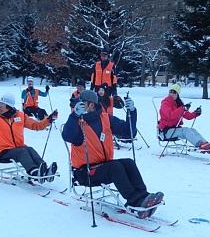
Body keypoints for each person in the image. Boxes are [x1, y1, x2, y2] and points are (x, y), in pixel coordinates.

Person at [62, 90, 164, 219]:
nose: (79, 106)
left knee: (128, 163)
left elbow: (128, 132)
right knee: (115, 166)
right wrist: (74, 116)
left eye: (83, 103)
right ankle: (134, 201)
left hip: (103, 166)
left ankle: (143, 197)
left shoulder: (105, 118)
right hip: (85, 172)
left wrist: (132, 112)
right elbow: (67, 136)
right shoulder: (77, 122)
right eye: (78, 103)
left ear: (92, 105)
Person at [0, 92, 58, 178]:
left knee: (29, 149)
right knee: (22, 151)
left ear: (9, 107)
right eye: (0, 103)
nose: (0, 106)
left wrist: (48, 120)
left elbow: (36, 125)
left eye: (3, 104)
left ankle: (44, 169)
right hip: (1, 152)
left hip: (17, 148)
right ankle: (34, 172)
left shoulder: (20, 116)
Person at [158, 83, 210, 152]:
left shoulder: (178, 104)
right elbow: (170, 115)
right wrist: (182, 108)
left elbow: (187, 116)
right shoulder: (165, 103)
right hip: (165, 131)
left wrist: (196, 113)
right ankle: (201, 145)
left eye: (174, 92)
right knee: (185, 131)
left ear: (178, 94)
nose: (172, 94)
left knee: (192, 130)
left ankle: (206, 145)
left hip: (174, 129)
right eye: (171, 91)